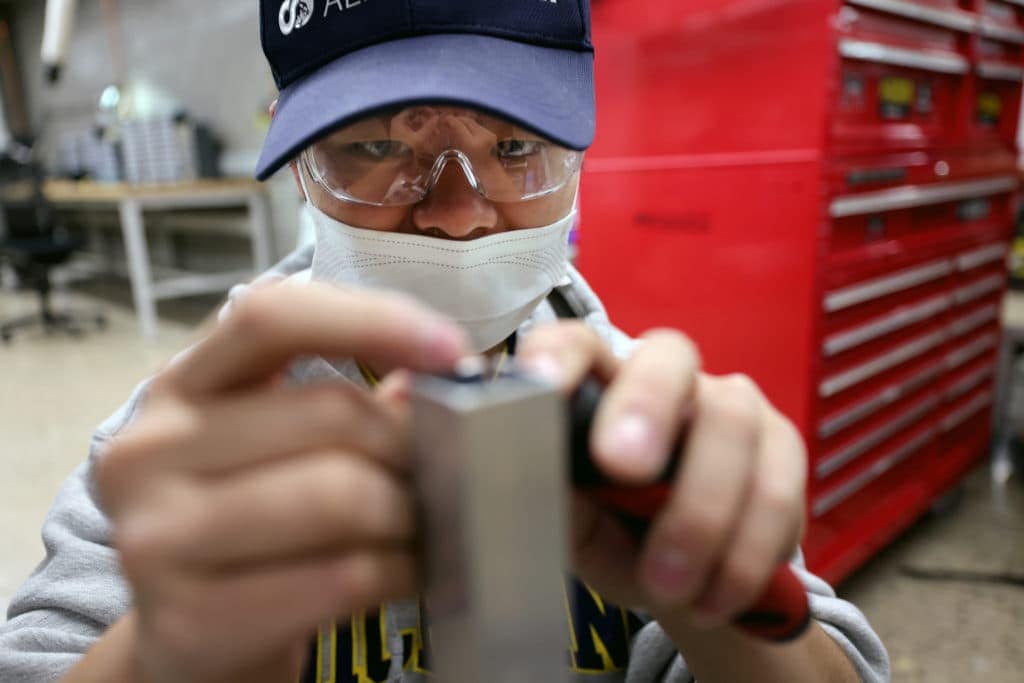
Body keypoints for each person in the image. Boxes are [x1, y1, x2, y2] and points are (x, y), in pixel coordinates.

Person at [0, 2, 890, 682]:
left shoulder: (637, 421)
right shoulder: (186, 446)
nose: (459, 216)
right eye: (378, 145)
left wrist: (717, 600)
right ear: (300, 152)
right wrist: (160, 650)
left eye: (514, 146)